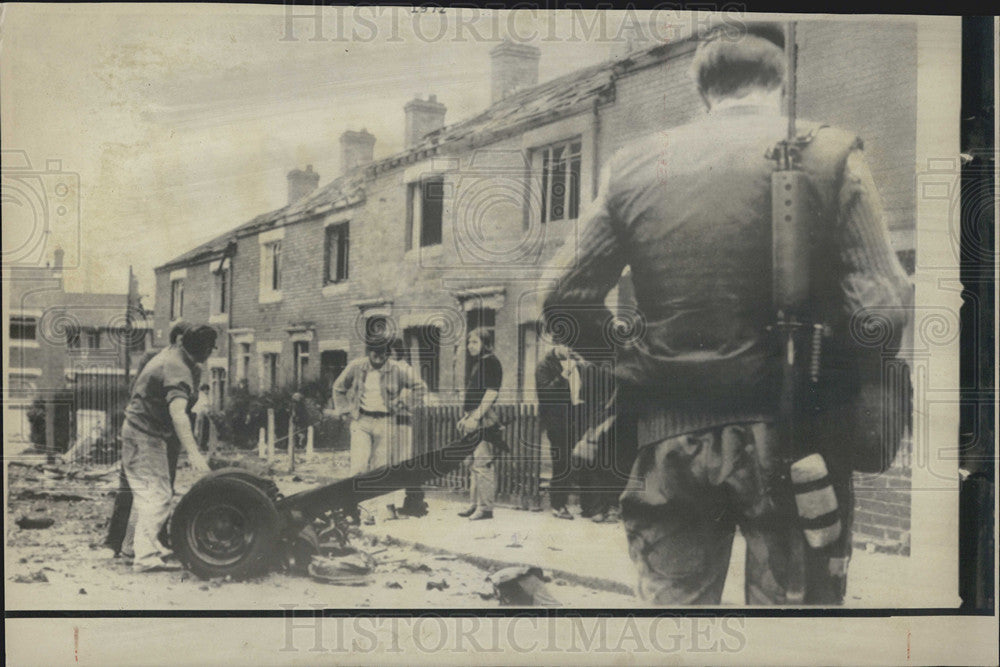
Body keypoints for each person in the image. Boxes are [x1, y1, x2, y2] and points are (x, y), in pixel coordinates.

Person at [542, 22, 911, 604]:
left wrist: (637, 356)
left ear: (702, 92)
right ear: (779, 82)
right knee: (789, 639)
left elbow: (562, 301)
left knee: (676, 628)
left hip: (667, 444)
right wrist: (824, 361)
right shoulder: (831, 152)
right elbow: (882, 314)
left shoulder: (632, 166)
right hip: (796, 442)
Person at [120, 324, 216, 572]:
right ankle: (145, 557)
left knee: (145, 495)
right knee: (159, 496)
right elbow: (179, 415)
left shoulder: (173, 352)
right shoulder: (178, 370)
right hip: (144, 435)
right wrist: (194, 453)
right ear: (205, 350)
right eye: (210, 349)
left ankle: (134, 547)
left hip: (138, 430)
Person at [103, 319, 192, 558]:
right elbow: (136, 393)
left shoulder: (192, 363)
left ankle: (156, 542)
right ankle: (114, 543)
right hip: (143, 430)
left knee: (165, 488)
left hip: (169, 434)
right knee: (127, 488)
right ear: (180, 340)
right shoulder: (153, 358)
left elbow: (185, 402)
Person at [331, 336, 427, 525]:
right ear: (368, 353)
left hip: (385, 423)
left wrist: (403, 404)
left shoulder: (396, 369)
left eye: (383, 355)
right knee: (358, 466)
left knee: (382, 469)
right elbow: (338, 387)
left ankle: (379, 511)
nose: (379, 359)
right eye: (375, 354)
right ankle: (351, 510)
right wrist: (344, 410)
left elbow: (420, 387)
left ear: (388, 353)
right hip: (362, 421)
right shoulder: (356, 366)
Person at [456, 327, 504, 521]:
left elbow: (491, 393)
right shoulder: (480, 363)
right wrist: (466, 416)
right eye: (469, 342)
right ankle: (475, 504)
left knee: (483, 463)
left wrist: (475, 417)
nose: (470, 346)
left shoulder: (491, 362)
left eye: (475, 342)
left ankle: (485, 508)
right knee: (473, 463)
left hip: (483, 419)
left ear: (485, 343)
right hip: (473, 417)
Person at [535, 344, 585, 520]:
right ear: (557, 344)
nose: (571, 349)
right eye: (567, 345)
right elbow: (545, 394)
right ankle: (558, 505)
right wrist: (563, 376)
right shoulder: (545, 365)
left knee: (572, 462)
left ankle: (581, 505)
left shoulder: (576, 362)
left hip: (575, 418)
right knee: (560, 462)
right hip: (557, 422)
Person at [386, 337, 429, 519]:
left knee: (401, 464)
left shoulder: (405, 369)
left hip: (402, 421)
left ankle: (408, 504)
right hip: (386, 423)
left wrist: (402, 402)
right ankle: (391, 506)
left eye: (389, 351)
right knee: (387, 465)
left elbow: (420, 389)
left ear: (396, 351)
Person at [191, 383, 212, 451]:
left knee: (200, 430)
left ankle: (200, 445)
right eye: (207, 390)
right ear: (204, 390)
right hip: (200, 415)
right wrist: (208, 413)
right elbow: (204, 407)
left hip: (200, 414)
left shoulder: (202, 396)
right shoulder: (203, 397)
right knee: (201, 430)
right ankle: (201, 445)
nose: (208, 392)